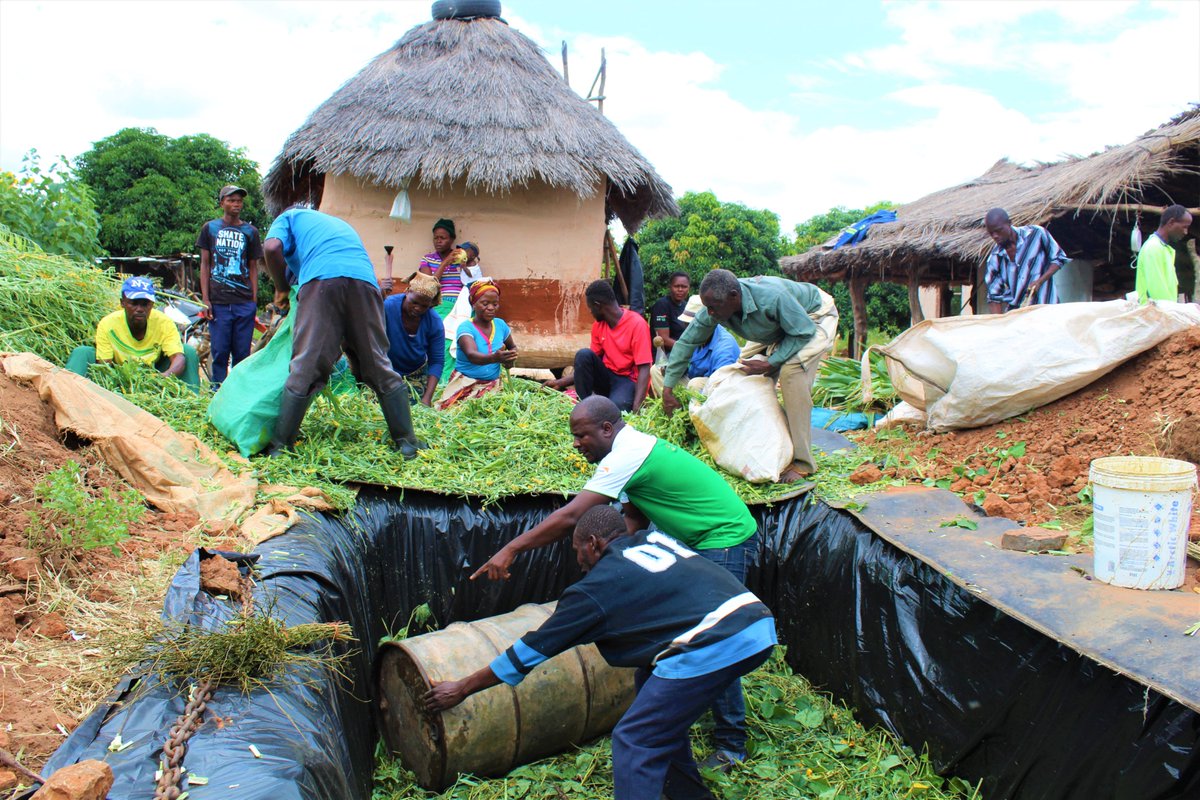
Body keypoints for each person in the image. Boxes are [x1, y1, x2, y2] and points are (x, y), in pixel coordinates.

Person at [472, 395, 760, 768]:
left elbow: (574, 514)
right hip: (700, 537)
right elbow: (634, 519)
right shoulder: (628, 452)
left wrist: (510, 549)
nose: (576, 443)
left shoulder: (628, 453)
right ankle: (683, 715)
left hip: (723, 537)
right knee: (692, 635)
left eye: (582, 435)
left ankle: (731, 745)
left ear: (607, 428)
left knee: (716, 637)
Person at [427, 505, 776, 800]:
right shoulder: (651, 540)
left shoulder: (596, 588)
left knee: (635, 739)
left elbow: (529, 650)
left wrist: (462, 687)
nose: (579, 563)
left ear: (593, 544)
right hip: (754, 622)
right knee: (649, 685)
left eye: (578, 552)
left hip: (717, 641)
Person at [262, 207, 425, 458]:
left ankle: (280, 447)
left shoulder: (288, 217)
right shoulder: (333, 226)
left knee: (307, 363)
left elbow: (272, 248)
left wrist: (282, 288)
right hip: (365, 284)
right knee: (377, 362)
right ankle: (407, 442)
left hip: (322, 281)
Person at [661, 269, 838, 484]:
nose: (710, 313)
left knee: (792, 373)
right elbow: (687, 342)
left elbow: (802, 331)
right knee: (739, 373)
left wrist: (772, 362)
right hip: (775, 327)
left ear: (734, 297)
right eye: (707, 308)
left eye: (714, 308)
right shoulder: (715, 306)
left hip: (812, 317)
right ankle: (760, 442)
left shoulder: (772, 298)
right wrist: (668, 389)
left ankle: (803, 462)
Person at [65, 276, 201, 388]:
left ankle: (190, 400)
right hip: (119, 374)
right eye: (134, 303)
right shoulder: (108, 324)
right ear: (122, 303)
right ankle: (69, 394)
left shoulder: (164, 322)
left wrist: (162, 378)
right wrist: (124, 384)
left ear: (152, 305)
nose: (140, 309)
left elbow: (178, 358)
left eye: (145, 304)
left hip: (154, 374)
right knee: (82, 352)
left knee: (187, 352)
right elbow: (104, 365)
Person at [546, 280, 652, 413]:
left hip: (627, 380)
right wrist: (560, 382)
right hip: (607, 376)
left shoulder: (637, 324)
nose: (590, 312)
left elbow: (644, 368)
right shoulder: (598, 326)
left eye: (590, 308)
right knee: (583, 355)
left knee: (615, 410)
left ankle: (611, 404)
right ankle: (585, 406)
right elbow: (586, 365)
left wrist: (637, 407)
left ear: (597, 306)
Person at [196, 185, 263, 389]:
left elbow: (253, 266)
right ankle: (218, 390)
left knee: (242, 352)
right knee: (220, 350)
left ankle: (238, 390)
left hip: (243, 301)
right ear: (222, 203)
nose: (236, 204)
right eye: (231, 200)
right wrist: (206, 299)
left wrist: (253, 300)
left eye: (239, 201)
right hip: (219, 302)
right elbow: (205, 264)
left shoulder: (250, 232)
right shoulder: (211, 229)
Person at [436, 279, 518, 410]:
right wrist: (495, 358)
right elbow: (472, 355)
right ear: (473, 304)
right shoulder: (466, 328)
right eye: (485, 303)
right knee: (455, 413)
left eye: (495, 304)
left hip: (492, 386)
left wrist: (510, 359)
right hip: (465, 385)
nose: (491, 308)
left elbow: (512, 347)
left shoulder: (500, 325)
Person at [650, 294, 741, 396]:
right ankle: (673, 405)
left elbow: (721, 386)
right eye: (686, 324)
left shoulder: (724, 346)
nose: (689, 330)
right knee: (657, 370)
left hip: (715, 390)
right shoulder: (693, 336)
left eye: (691, 325)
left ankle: (691, 409)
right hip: (692, 383)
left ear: (707, 323)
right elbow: (680, 359)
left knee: (695, 384)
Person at [983, 208, 1069, 313]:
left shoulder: (1037, 234)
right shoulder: (994, 259)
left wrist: (1040, 281)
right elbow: (993, 296)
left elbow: (1059, 258)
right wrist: (998, 325)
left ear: (1009, 223)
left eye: (999, 230)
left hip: (1047, 311)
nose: (995, 236)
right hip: (1018, 317)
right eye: (991, 233)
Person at [382, 271, 444, 407]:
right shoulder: (387, 307)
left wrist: (427, 399)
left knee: (410, 409)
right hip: (385, 371)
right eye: (414, 302)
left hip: (415, 374)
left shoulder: (434, 322)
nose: (418, 308)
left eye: (424, 306)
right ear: (407, 291)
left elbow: (437, 361)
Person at [420, 218, 468, 382]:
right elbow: (427, 286)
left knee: (457, 344)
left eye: (443, 238)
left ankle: (453, 379)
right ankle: (438, 380)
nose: (438, 241)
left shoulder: (461, 258)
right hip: (438, 305)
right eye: (436, 238)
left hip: (460, 307)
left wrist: (466, 265)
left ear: (452, 240)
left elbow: (471, 280)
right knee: (441, 343)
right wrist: (445, 263)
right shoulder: (427, 259)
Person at [1136, 204, 1193, 303]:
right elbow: (1157, 292)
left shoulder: (1165, 249)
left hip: (1163, 313)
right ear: (1171, 222)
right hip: (1154, 314)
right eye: (1184, 227)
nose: (1186, 232)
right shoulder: (1153, 248)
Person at [651, 271, 691, 357]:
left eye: (684, 287)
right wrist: (688, 349)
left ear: (688, 288)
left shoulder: (686, 305)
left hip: (682, 353)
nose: (680, 289)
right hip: (666, 356)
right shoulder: (662, 305)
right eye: (676, 286)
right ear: (670, 287)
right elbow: (663, 339)